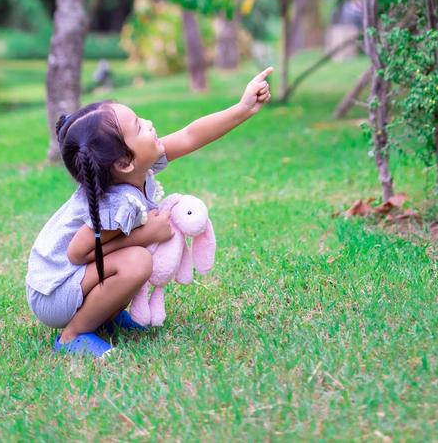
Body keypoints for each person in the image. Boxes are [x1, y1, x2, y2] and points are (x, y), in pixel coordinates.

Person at [26, 67, 273, 357]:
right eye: (139, 127)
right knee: (137, 261)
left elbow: (191, 135)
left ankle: (103, 314)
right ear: (123, 163)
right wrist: (146, 234)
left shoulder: (137, 168)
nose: (149, 123)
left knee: (138, 258)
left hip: (73, 281)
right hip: (53, 292)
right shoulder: (117, 202)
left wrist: (243, 108)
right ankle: (73, 335)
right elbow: (77, 252)